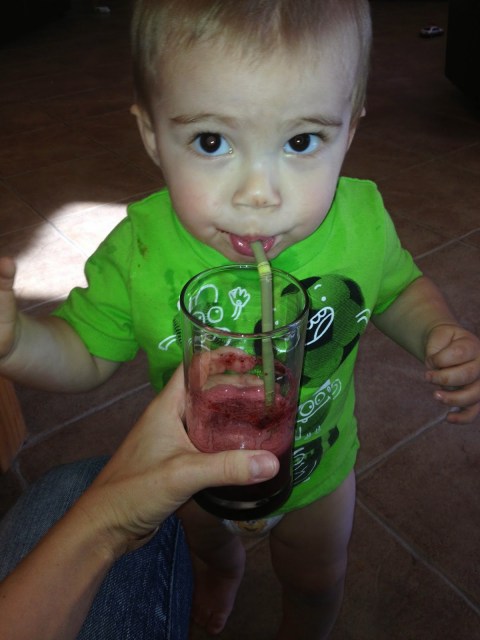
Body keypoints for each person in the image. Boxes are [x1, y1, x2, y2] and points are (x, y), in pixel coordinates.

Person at [0, 0, 479, 637]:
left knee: (316, 580)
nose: (259, 195)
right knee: (206, 551)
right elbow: (81, 354)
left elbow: (397, 290)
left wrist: (437, 331)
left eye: (302, 141)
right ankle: (219, 578)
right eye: (212, 142)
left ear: (349, 131)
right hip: (193, 467)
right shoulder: (140, 249)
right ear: (153, 136)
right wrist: (17, 344)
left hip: (318, 469)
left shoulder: (361, 221)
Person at [0, 366, 279, 640]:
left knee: (302, 571)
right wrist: (15, 349)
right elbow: (89, 359)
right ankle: (226, 573)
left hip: (299, 482)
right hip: (196, 476)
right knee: (206, 538)